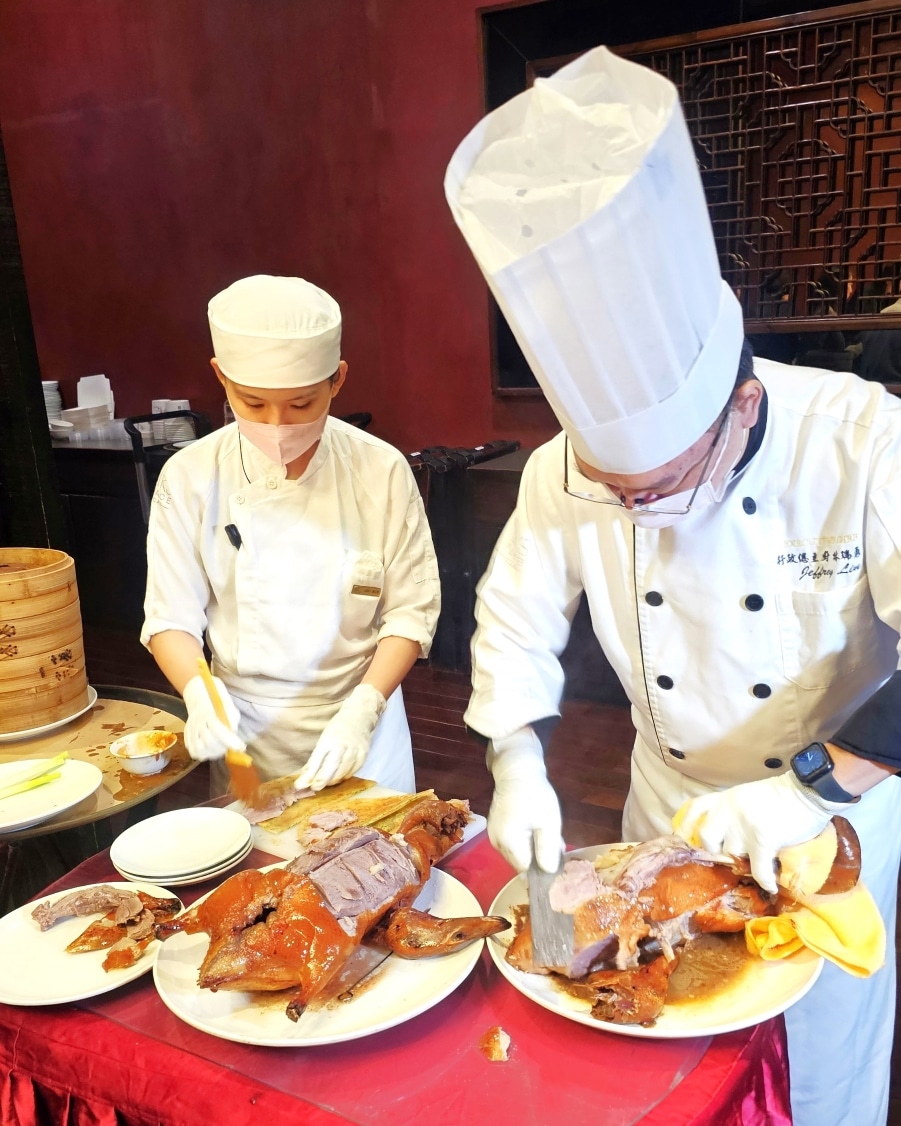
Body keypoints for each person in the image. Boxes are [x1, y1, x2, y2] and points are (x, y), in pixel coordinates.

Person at [445, 46, 901, 1126]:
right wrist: (516, 763)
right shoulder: (568, 470)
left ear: (740, 410)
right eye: (615, 490)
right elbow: (512, 618)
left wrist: (810, 785)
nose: (635, 510)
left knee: (812, 1069)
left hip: (832, 818)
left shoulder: (862, 440)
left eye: (660, 486)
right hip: (669, 811)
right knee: (658, 1057)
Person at [141, 274, 440, 796]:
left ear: (337, 380)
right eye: (253, 403)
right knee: (258, 849)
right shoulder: (189, 477)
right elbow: (170, 616)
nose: (278, 424)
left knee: (378, 846)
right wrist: (199, 693)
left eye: (301, 404)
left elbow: (411, 613)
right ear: (220, 377)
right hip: (248, 731)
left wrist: (363, 711)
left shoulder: (382, 471)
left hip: (363, 723)